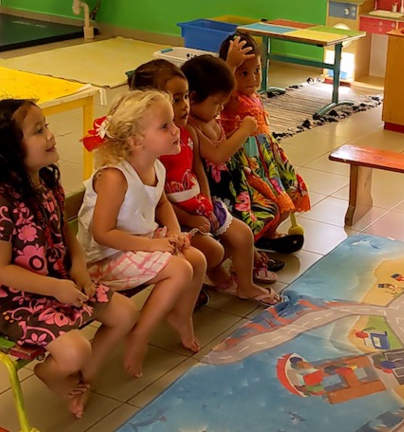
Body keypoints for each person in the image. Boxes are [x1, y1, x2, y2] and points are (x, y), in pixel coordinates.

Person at [0, 99, 137, 418]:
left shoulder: (46, 181)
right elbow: (0, 270)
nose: (50, 135)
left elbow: (64, 231)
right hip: (15, 302)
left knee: (125, 313)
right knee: (75, 351)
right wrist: (55, 289)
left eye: (46, 126)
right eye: (38, 131)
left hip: (58, 284)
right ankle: (52, 374)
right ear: (7, 152)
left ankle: (83, 381)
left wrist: (79, 266)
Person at [128, 59, 283, 306]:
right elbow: (157, 197)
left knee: (241, 234)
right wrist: (188, 219)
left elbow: (197, 168)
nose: (184, 106)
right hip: (173, 217)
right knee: (211, 251)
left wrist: (209, 204)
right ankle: (193, 285)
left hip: (198, 204)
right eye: (175, 99)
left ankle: (245, 285)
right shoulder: (150, 145)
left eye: (186, 97)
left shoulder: (187, 132)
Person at [77, 90, 207, 378]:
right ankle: (139, 335)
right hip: (103, 259)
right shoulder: (114, 177)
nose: (176, 131)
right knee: (179, 270)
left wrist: (173, 232)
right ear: (136, 141)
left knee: (196, 259)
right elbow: (102, 233)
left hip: (135, 243)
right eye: (165, 126)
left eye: (173, 123)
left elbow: (160, 202)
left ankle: (180, 315)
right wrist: (155, 246)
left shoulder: (155, 165)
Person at [217, 33, 310, 253]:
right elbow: (219, 88)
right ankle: (258, 235)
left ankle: (268, 235)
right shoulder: (230, 97)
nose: (253, 78)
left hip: (266, 158)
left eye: (257, 70)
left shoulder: (255, 95)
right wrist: (228, 64)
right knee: (265, 202)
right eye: (244, 73)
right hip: (246, 162)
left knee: (286, 199)